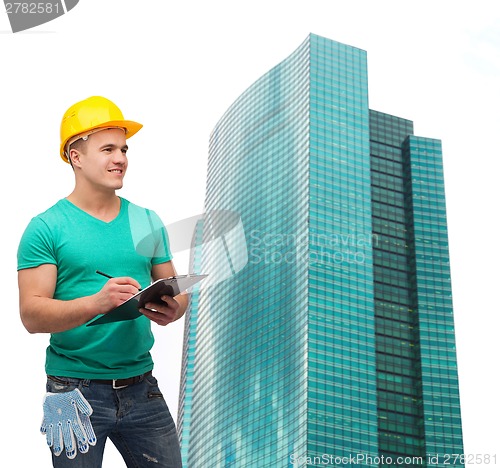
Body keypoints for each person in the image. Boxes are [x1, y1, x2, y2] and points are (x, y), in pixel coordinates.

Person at [17, 96, 187, 467]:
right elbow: (31, 315)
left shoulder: (147, 220)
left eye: (124, 149)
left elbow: (174, 287)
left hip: (142, 387)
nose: (121, 158)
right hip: (71, 392)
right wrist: (98, 302)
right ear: (76, 157)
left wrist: (173, 308)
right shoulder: (46, 227)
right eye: (108, 148)